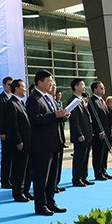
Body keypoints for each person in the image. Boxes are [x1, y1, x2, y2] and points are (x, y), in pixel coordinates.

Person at [26, 70, 69, 216]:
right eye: (48, 81)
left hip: (55, 142)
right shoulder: (33, 99)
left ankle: (51, 201)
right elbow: (35, 120)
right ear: (39, 83)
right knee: (41, 177)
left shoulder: (49, 97)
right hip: (42, 145)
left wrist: (62, 116)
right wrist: (55, 115)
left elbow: (54, 118)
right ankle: (41, 205)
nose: (51, 84)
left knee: (52, 177)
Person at [4, 79, 33, 202]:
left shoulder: (21, 102)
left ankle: (26, 190)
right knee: (19, 169)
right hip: (19, 143)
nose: (25, 89)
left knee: (27, 168)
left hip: (28, 141)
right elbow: (12, 126)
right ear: (16, 89)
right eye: (23, 87)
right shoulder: (11, 104)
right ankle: (18, 192)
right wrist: (18, 141)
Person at [67, 78, 94, 187]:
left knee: (85, 156)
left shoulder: (82, 99)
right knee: (79, 157)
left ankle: (84, 177)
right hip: (81, 134)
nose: (84, 87)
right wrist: (79, 133)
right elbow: (74, 120)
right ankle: (77, 178)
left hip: (87, 132)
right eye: (82, 85)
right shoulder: (73, 100)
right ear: (76, 87)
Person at [88, 81, 112, 180]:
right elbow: (95, 118)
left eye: (103, 87)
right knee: (98, 153)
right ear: (95, 89)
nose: (103, 89)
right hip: (99, 133)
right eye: (101, 87)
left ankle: (104, 170)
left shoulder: (102, 101)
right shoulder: (92, 101)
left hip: (106, 131)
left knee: (104, 152)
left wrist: (110, 129)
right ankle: (98, 173)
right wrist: (99, 131)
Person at [0, 76, 13, 189]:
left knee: (13, 157)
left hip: (14, 133)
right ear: (4, 85)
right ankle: (5, 180)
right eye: (9, 84)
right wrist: (2, 132)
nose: (11, 87)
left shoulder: (13, 98)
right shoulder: (0, 98)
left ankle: (12, 178)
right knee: (6, 157)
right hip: (5, 133)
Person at [49, 81, 66, 194]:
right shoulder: (36, 100)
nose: (54, 87)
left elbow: (57, 118)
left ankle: (54, 184)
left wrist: (63, 116)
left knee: (56, 165)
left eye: (55, 85)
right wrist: (56, 115)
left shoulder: (53, 101)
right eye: (51, 84)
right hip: (47, 139)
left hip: (57, 137)